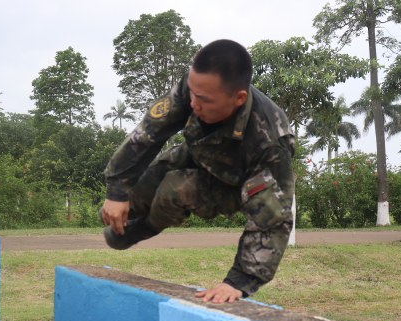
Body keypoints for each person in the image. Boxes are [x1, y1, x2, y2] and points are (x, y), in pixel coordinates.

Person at [100, 39, 295, 305]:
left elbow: (272, 219)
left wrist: (238, 281)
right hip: (200, 153)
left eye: (203, 100)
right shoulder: (195, 88)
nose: (193, 104)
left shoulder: (269, 142)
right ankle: (125, 221)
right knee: (154, 176)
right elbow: (147, 133)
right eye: (191, 93)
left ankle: (144, 227)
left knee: (176, 188)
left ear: (238, 98)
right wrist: (117, 192)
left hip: (236, 185)